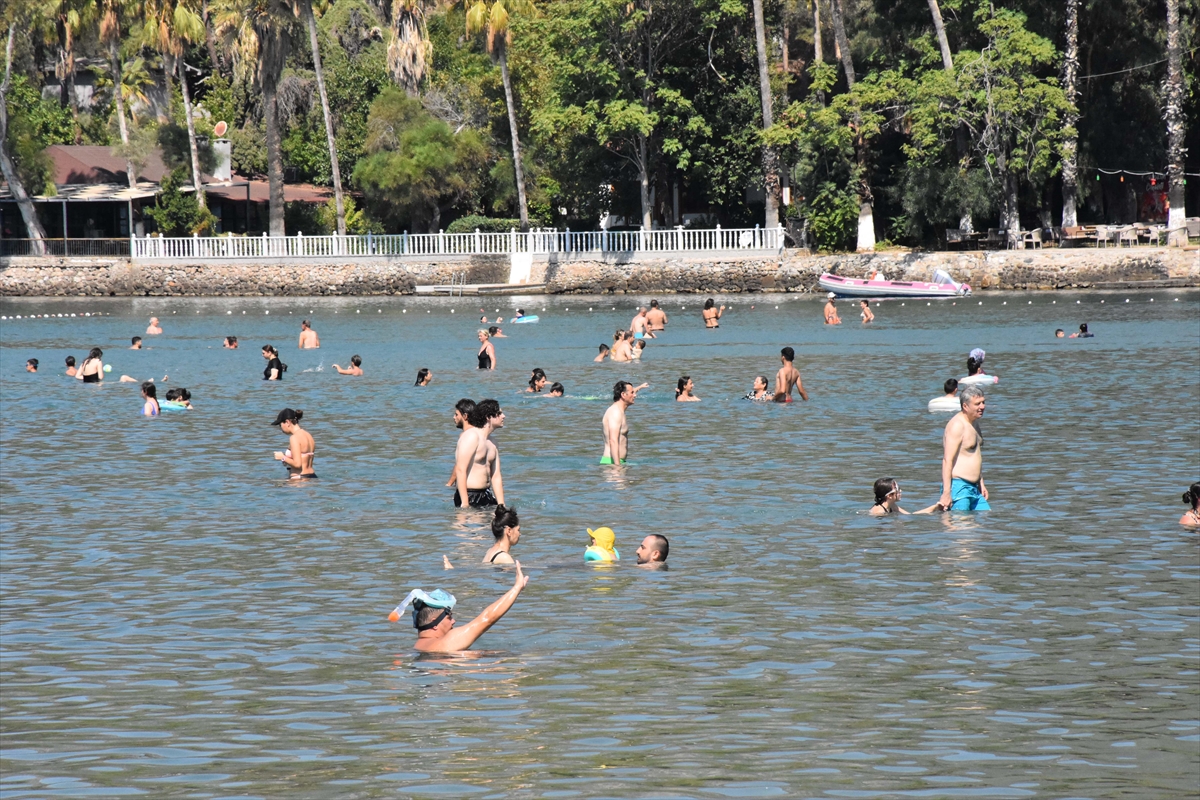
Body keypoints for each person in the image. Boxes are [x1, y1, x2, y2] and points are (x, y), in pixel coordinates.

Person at [389, 564, 529, 653]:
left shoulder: (418, 647)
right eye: (449, 616)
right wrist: (516, 588)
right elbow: (487, 618)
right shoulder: (446, 642)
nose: (454, 621)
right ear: (434, 623)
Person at [938, 384, 989, 511]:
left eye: (983, 402)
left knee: (985, 521)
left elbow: (974, 454)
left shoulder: (974, 423)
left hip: (974, 488)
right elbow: (947, 460)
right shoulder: (957, 426)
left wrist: (980, 482)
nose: (982, 407)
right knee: (960, 529)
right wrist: (946, 493)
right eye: (977, 404)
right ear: (965, 406)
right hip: (959, 488)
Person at [453, 398, 505, 508]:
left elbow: (496, 476)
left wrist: (501, 505)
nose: (503, 416)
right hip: (469, 495)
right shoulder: (472, 436)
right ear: (488, 417)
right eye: (499, 413)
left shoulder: (493, 442)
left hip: (486, 494)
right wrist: (465, 503)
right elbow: (460, 469)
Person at [272, 408, 317, 479]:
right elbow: (304, 459)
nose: (281, 429)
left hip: (299, 479)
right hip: (312, 477)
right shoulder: (308, 435)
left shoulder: (294, 438)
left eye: (280, 425)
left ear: (287, 422)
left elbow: (297, 464)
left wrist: (282, 457)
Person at [601, 380, 636, 464]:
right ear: (623, 395)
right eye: (632, 392)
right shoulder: (615, 412)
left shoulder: (619, 411)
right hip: (612, 463)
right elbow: (613, 440)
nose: (635, 395)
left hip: (618, 461)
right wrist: (617, 468)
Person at [868, 478, 942, 515]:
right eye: (897, 490)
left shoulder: (892, 506)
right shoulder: (879, 512)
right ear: (889, 496)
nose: (900, 491)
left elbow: (910, 516)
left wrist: (935, 507)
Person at [446, 399, 476, 488]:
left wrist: (449, 484)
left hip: (468, 488)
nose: (454, 417)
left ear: (465, 416)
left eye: (456, 415)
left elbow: (459, 464)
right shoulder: (479, 434)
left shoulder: (466, 436)